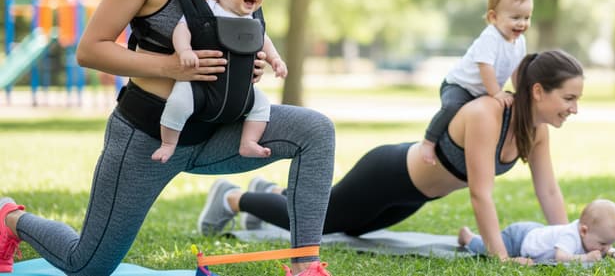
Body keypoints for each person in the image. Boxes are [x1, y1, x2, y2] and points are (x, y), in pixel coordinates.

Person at [0, 0, 334, 276]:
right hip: (148, 136)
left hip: (218, 132)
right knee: (88, 266)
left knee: (316, 131)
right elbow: (91, 48)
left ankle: (306, 267)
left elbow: (244, 38)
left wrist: (252, 67)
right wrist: (171, 68)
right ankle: (10, 219)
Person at [198, 49, 583, 265]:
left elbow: (548, 190)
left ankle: (272, 192)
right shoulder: (488, 114)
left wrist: (570, 241)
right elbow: (480, 194)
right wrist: (500, 258)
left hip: (414, 196)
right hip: (388, 174)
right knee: (326, 223)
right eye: (568, 98)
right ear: (537, 91)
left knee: (350, 230)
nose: (574, 108)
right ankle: (232, 197)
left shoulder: (536, 132)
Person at [152, 0, 288, 163]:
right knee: (178, 102)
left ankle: (248, 142)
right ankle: (168, 143)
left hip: (239, 91)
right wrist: (185, 51)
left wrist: (275, 60)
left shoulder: (252, 20)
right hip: (201, 87)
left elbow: (263, 39)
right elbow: (183, 28)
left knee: (262, 104)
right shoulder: (210, 10)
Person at [420, 0, 532, 165]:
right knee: (452, 107)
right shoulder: (490, 37)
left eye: (527, 18)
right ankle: (428, 141)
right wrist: (496, 93)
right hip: (460, 86)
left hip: (483, 92)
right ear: (493, 17)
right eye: (515, 18)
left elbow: (517, 69)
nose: (522, 23)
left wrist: (520, 91)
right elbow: (485, 67)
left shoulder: (519, 41)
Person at [458, 199, 615, 265]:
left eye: (611, 244)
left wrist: (610, 252)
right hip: (518, 239)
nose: (605, 248)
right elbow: (561, 257)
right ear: (583, 231)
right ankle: (468, 236)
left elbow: (601, 247)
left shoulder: (591, 237)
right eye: (603, 244)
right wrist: (585, 258)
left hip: (534, 232)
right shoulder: (571, 236)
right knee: (488, 248)